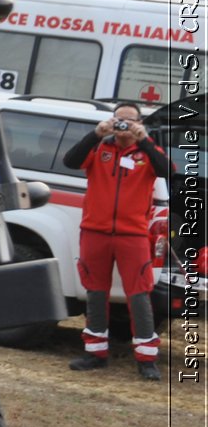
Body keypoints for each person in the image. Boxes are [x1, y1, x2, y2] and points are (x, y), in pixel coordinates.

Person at [65, 103, 175, 380]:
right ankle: (95, 353)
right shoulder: (99, 148)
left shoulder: (147, 152)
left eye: (131, 121)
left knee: (138, 295)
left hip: (133, 235)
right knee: (95, 292)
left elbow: (168, 170)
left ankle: (146, 359)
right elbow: (70, 161)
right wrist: (95, 134)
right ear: (112, 121)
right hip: (95, 232)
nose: (124, 126)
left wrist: (145, 139)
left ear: (139, 123)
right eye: (120, 120)